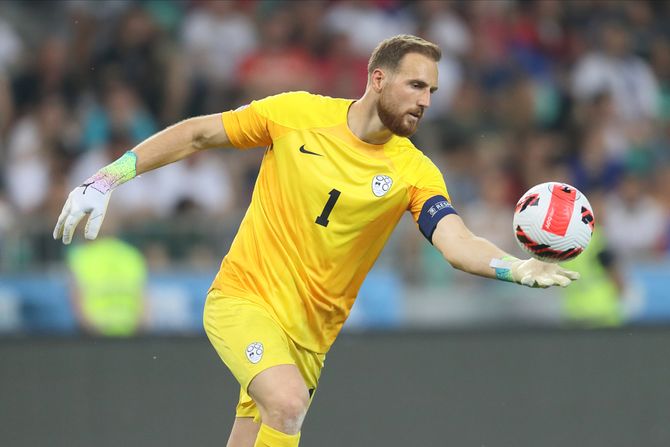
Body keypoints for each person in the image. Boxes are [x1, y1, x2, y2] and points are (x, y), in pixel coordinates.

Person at [53, 35, 579, 447]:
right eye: (416, 86)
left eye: (432, 92)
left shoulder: (415, 172)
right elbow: (199, 134)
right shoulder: (297, 114)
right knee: (285, 404)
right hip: (243, 299)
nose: (426, 101)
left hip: (308, 339)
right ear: (377, 79)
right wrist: (109, 178)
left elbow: (455, 240)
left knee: (263, 424)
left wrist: (515, 267)